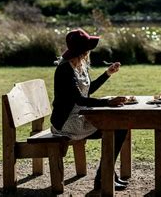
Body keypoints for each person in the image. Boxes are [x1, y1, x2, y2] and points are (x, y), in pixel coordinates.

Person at [50, 28, 129, 191]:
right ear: (82, 51)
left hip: (80, 116)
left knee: (119, 127)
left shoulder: (80, 66)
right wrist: (108, 102)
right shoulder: (65, 70)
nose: (89, 52)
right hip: (67, 123)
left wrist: (107, 74)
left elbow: (88, 90)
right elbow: (80, 99)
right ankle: (103, 177)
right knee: (116, 129)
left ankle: (105, 175)